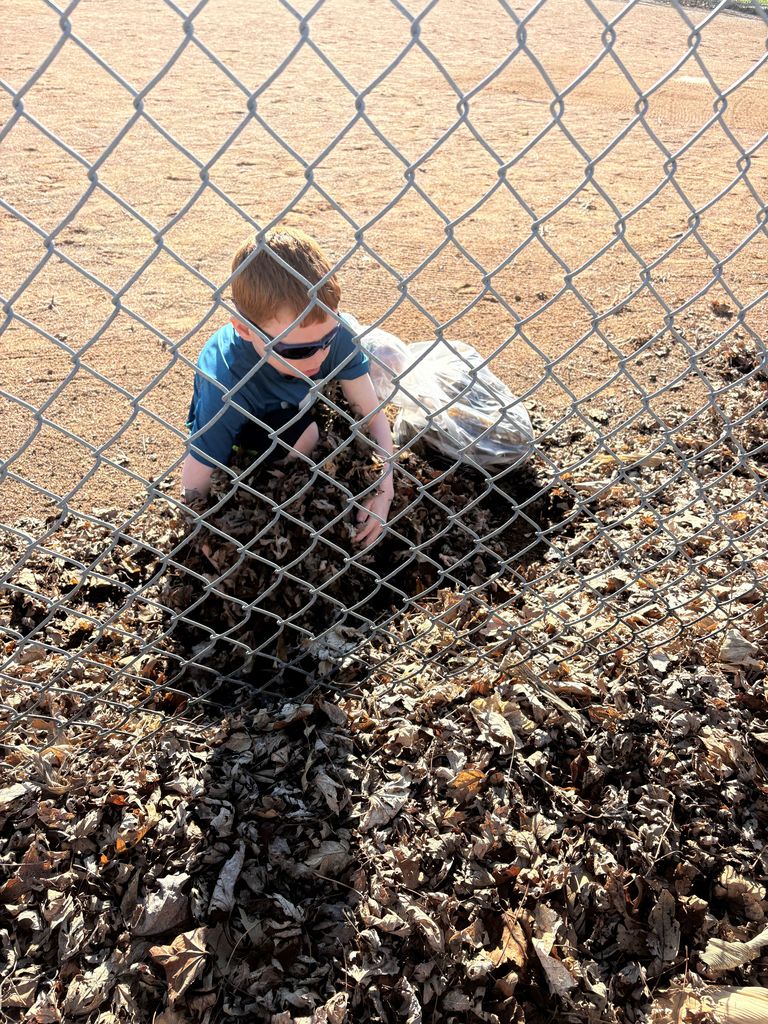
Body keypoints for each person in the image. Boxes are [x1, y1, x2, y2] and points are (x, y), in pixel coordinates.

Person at [181, 227, 394, 547]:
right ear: (244, 329)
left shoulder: (332, 335)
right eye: (296, 351)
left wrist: (384, 488)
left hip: (299, 403)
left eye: (327, 339)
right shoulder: (225, 383)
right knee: (305, 438)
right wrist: (198, 533)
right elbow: (199, 473)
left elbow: (371, 415)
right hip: (249, 424)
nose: (319, 356)